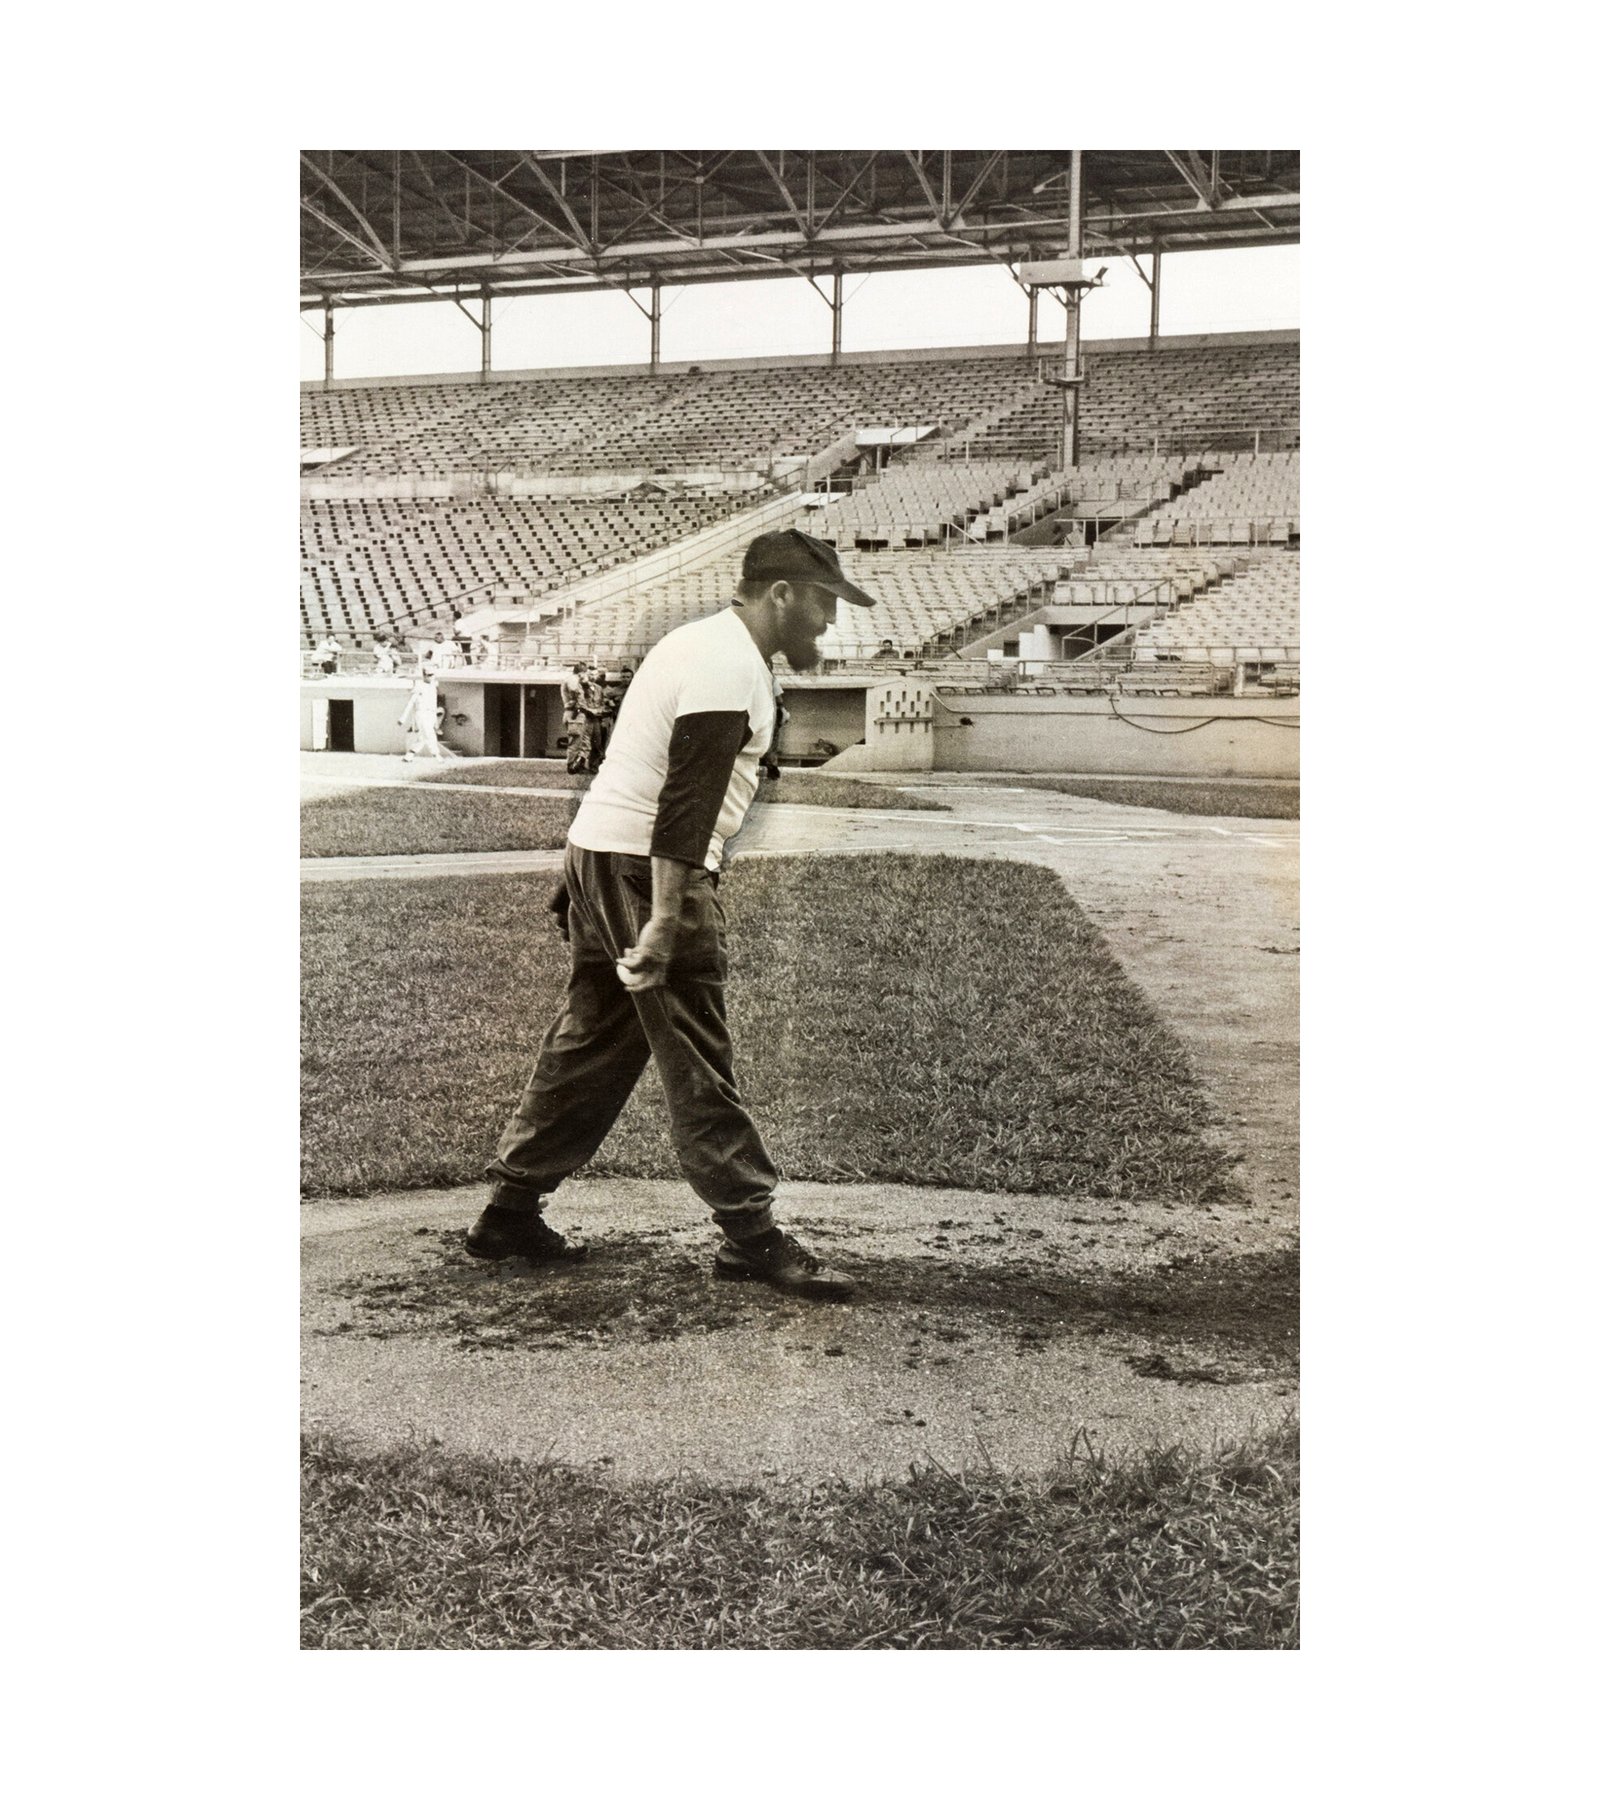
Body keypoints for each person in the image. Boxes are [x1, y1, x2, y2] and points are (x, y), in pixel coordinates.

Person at [469, 528, 879, 1300]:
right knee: (696, 1054)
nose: (829, 621)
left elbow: (631, 764)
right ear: (780, 594)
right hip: (646, 871)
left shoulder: (695, 643)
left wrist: (579, 872)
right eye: (823, 601)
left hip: (603, 856)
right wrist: (663, 917)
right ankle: (750, 1236)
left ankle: (510, 1210)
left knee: (593, 1043)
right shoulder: (728, 663)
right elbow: (683, 803)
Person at [398, 670, 448, 761]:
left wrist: (435, 720)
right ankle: (436, 755)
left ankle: (409, 755)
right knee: (429, 734)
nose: (431, 677)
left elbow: (433, 704)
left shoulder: (433, 688)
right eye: (428, 675)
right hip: (421, 713)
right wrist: (403, 718)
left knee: (422, 737)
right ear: (424, 676)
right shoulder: (419, 686)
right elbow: (411, 702)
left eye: (432, 675)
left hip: (431, 714)